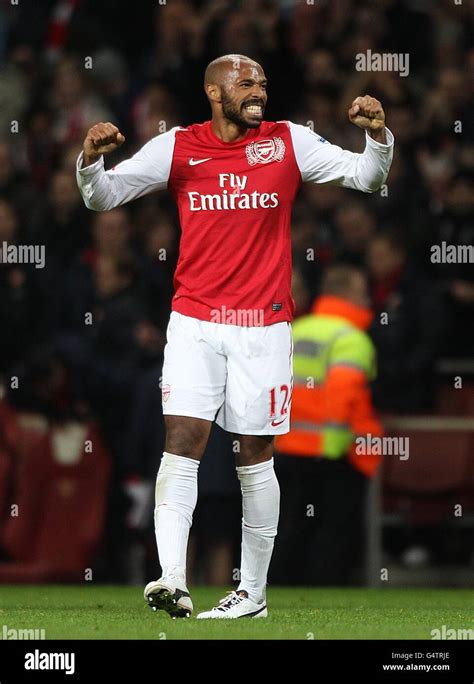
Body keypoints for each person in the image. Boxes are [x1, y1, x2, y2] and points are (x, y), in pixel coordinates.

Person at [76, 54, 393, 619]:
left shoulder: (290, 142)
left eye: (264, 84)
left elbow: (367, 178)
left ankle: (253, 594)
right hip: (195, 320)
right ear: (213, 92)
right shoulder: (177, 147)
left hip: (263, 326)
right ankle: (172, 577)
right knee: (182, 440)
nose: (259, 93)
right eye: (246, 83)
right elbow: (103, 196)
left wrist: (378, 137)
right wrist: (90, 163)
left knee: (254, 453)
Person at [271, 265, 383, 585]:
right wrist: (336, 448)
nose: (367, 299)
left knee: (290, 529)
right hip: (333, 451)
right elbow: (342, 392)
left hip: (288, 446)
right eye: (362, 292)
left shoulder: (298, 329)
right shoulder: (351, 339)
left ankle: (277, 592)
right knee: (333, 533)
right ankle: (324, 590)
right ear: (347, 294)